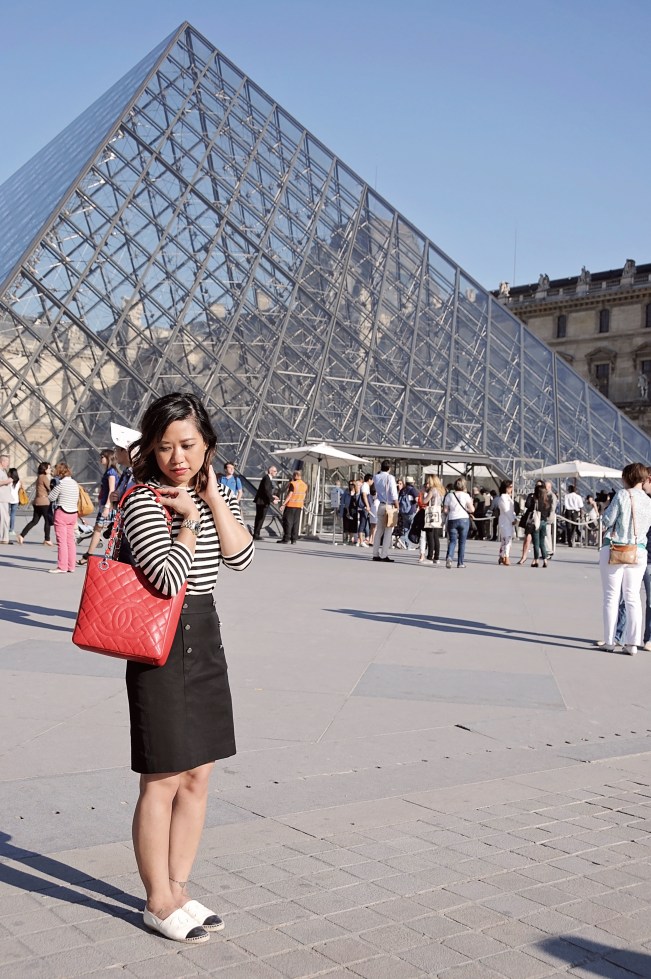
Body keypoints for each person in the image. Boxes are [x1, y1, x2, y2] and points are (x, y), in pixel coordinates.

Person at [121, 392, 254, 944]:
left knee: (199, 774)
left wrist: (208, 504)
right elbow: (167, 578)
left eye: (189, 445)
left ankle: (179, 887)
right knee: (163, 777)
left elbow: (242, 555)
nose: (178, 457)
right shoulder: (140, 500)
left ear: (207, 445)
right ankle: (156, 900)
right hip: (160, 642)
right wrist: (187, 525)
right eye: (166, 446)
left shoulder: (212, 491)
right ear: (150, 449)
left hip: (206, 634)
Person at [600, 463, 651, 655]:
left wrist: (605, 509)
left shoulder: (622, 495)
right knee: (633, 598)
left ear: (627, 477)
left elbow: (607, 520)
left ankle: (610, 641)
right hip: (639, 551)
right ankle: (632, 644)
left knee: (611, 597)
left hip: (617, 548)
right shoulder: (649, 501)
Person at [78, 450, 119, 565]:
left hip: (108, 506)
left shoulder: (111, 472)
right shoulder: (110, 471)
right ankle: (88, 555)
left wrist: (106, 507)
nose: (100, 458)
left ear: (109, 458)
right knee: (99, 530)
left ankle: (88, 556)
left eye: (102, 457)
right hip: (106, 505)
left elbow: (111, 490)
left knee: (99, 530)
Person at [47, 463, 80, 573]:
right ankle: (71, 566)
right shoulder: (75, 483)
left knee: (61, 541)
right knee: (70, 541)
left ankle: (62, 566)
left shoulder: (60, 484)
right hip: (73, 514)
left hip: (62, 512)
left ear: (59, 471)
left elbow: (51, 497)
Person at [17, 462, 54, 546]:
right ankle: (47, 539)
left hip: (37, 502)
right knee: (47, 521)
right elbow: (50, 488)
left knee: (34, 521)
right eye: (49, 468)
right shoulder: (44, 477)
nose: (50, 469)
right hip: (44, 502)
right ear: (45, 469)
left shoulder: (39, 477)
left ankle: (22, 535)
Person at [443, 477, 475, 568]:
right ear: (464, 486)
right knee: (462, 542)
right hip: (464, 519)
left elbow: (445, 510)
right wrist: (468, 509)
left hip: (452, 519)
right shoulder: (466, 496)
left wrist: (451, 509)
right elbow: (472, 509)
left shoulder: (449, 495)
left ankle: (449, 557)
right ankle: (460, 562)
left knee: (452, 541)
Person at [371, 461, 399, 563]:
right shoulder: (390, 478)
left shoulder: (376, 477)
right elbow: (393, 493)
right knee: (388, 531)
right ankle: (384, 554)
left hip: (380, 504)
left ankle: (375, 553)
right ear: (389, 468)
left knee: (379, 531)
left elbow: (373, 490)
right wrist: (397, 506)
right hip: (389, 506)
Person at [277, 470, 308, 544]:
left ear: (296, 475)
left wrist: (283, 504)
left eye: (294, 475)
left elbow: (290, 495)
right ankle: (294, 539)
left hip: (291, 505)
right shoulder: (304, 485)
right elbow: (304, 495)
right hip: (299, 506)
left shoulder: (293, 484)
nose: (293, 477)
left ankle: (286, 538)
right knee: (296, 523)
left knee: (288, 522)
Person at [531, 482, 553, 568]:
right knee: (542, 543)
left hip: (537, 522)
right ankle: (545, 560)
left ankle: (536, 560)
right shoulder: (547, 502)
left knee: (536, 543)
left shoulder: (536, 501)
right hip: (544, 522)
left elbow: (530, 508)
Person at [253, 465, 278, 540]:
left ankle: (256, 533)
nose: (276, 473)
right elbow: (266, 491)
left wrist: (273, 496)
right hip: (262, 502)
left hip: (262, 501)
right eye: (275, 471)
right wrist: (272, 499)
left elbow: (266, 491)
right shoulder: (267, 478)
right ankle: (256, 534)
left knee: (260, 517)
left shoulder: (267, 478)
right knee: (260, 518)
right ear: (270, 471)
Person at [496, 480, 517, 566]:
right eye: (510, 487)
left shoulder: (508, 497)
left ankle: (502, 556)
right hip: (505, 521)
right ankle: (506, 557)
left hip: (509, 521)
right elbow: (506, 510)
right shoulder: (503, 498)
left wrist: (514, 518)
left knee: (506, 540)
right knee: (506, 539)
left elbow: (512, 511)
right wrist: (512, 519)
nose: (511, 489)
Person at [398, 476, 418, 549]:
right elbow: (417, 499)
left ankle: (407, 544)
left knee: (406, 527)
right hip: (411, 510)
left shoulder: (403, 490)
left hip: (403, 511)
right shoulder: (413, 490)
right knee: (411, 527)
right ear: (412, 482)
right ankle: (403, 539)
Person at [340, 479, 359, 544]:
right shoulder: (346, 492)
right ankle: (345, 538)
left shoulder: (357, 493)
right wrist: (342, 511)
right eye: (350, 485)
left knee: (353, 525)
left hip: (354, 511)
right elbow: (343, 501)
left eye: (352, 485)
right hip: (347, 510)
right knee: (346, 525)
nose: (351, 486)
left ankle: (351, 539)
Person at [357, 474, 373, 547]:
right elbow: (364, 495)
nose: (372, 482)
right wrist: (367, 505)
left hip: (364, 507)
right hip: (364, 507)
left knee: (364, 521)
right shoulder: (365, 486)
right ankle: (360, 540)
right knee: (363, 522)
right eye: (372, 480)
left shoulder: (366, 486)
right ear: (369, 480)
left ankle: (361, 539)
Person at [0, 453, 11, 544]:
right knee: (3, 518)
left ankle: (4, 536)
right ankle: (3, 537)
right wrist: (7, 481)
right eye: (7, 461)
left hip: (4, 498)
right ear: (2, 461)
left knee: (5, 518)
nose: (8, 463)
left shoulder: (3, 471)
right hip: (1, 498)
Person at [8, 467, 21, 536]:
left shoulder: (9, 481)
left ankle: (5, 528)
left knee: (6, 515)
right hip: (16, 499)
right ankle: (11, 529)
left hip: (8, 499)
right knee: (13, 515)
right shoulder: (19, 481)